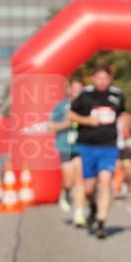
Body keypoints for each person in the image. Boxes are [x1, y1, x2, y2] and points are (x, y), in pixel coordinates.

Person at [70, 62, 125, 239]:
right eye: (99, 78)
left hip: (109, 146)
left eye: (105, 78)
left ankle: (101, 223)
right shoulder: (85, 95)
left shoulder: (117, 96)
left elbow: (123, 114)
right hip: (87, 146)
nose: (102, 81)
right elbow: (71, 115)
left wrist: (124, 128)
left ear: (110, 79)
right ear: (94, 78)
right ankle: (92, 207)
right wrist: (86, 121)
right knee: (88, 188)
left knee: (106, 181)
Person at [50, 77, 86, 223]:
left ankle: (79, 213)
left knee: (80, 179)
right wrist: (67, 122)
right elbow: (51, 126)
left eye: (80, 89)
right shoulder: (60, 107)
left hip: (82, 146)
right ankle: (65, 192)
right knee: (68, 179)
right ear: (69, 90)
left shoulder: (87, 106)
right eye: (74, 89)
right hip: (65, 146)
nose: (77, 92)